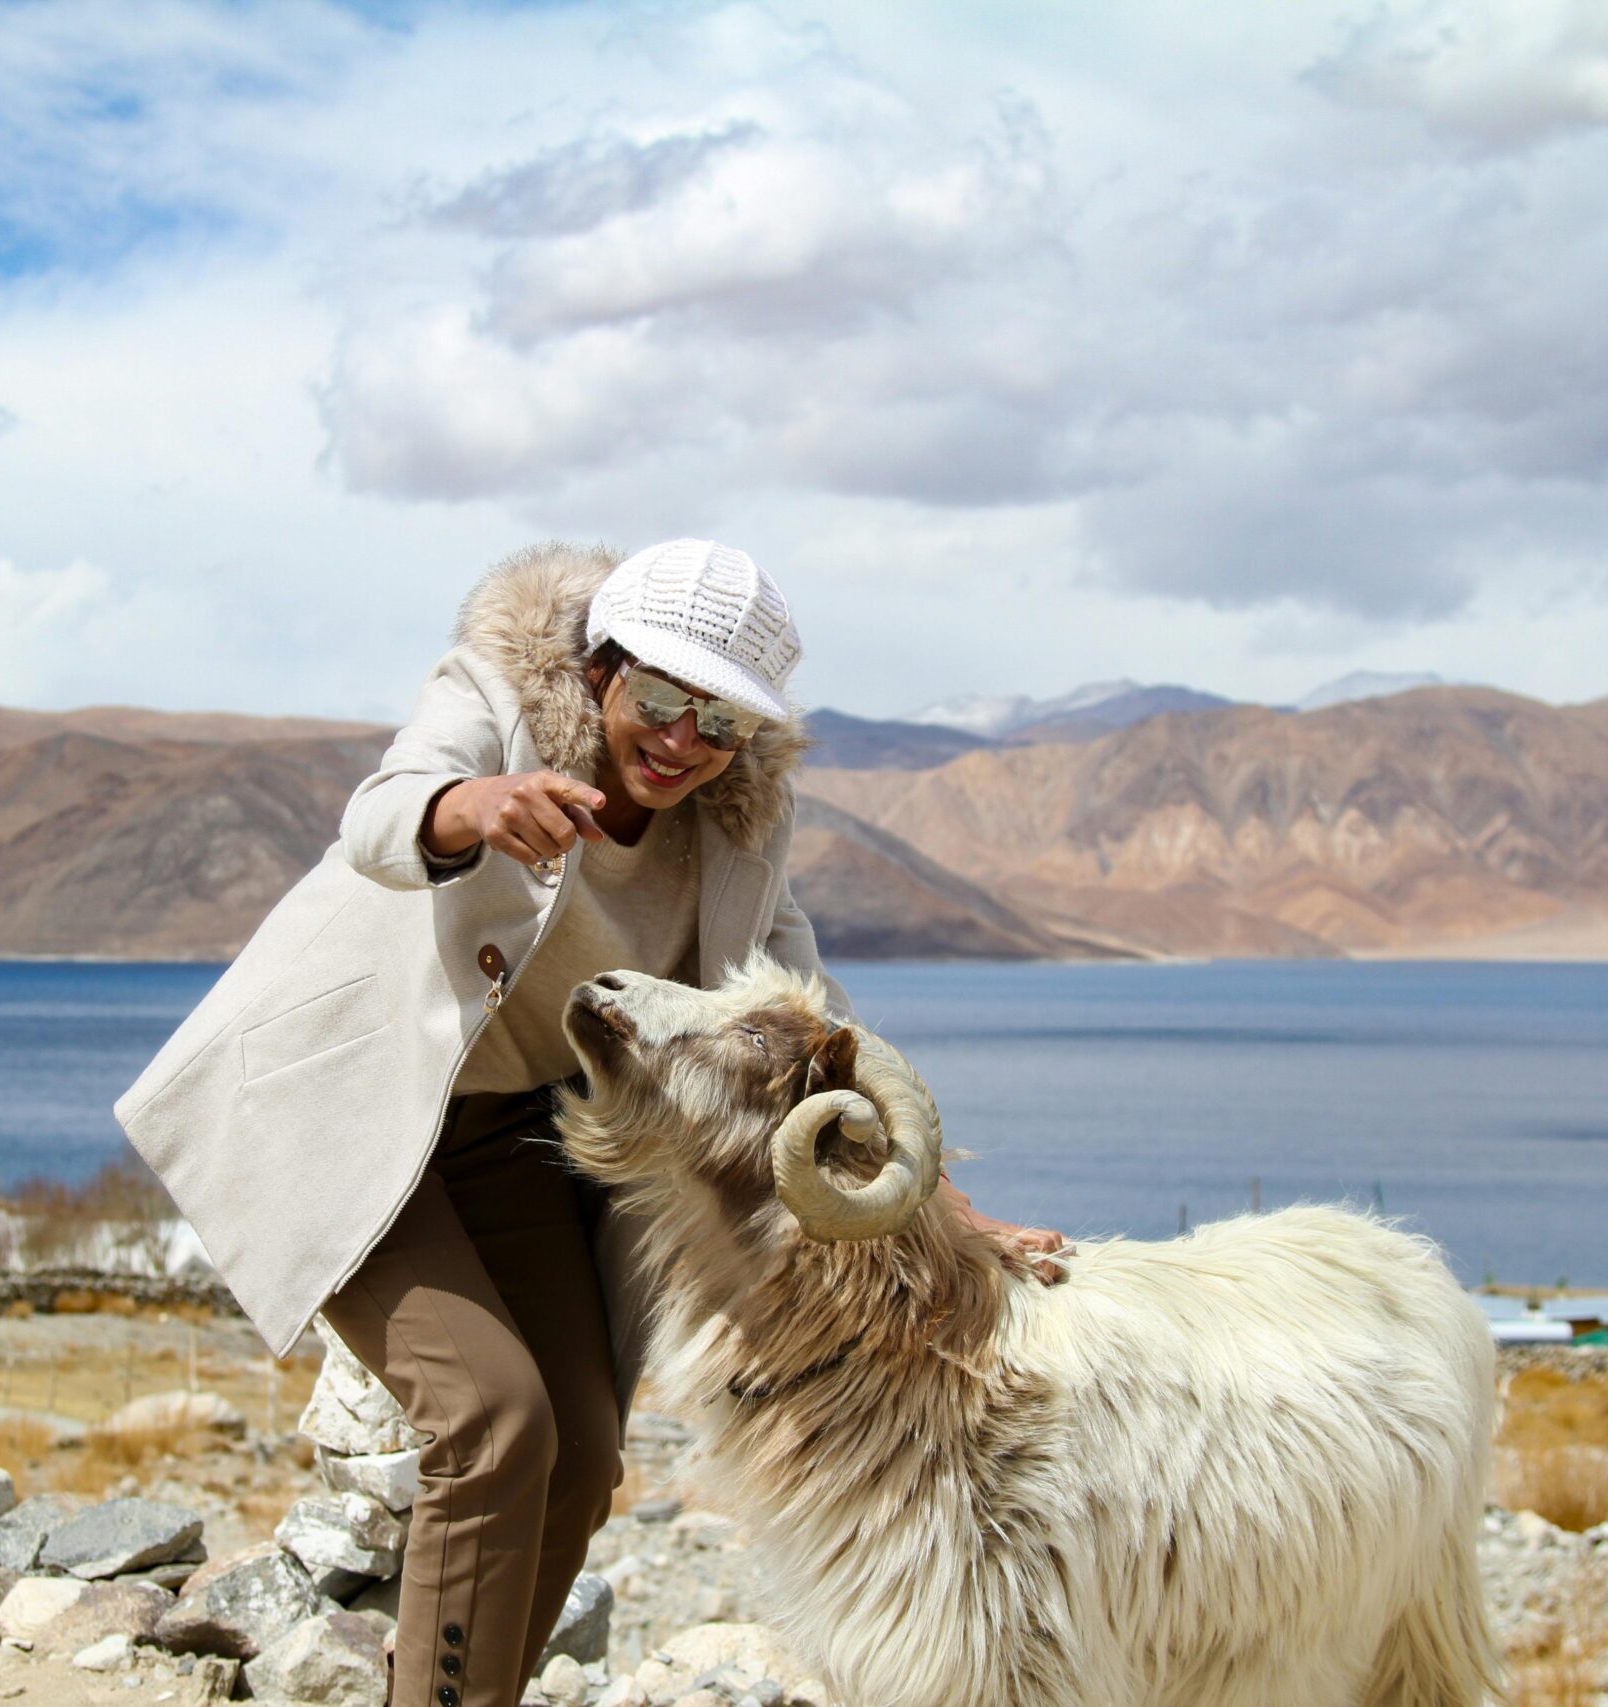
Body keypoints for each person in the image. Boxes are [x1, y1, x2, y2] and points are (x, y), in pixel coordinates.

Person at [117, 539, 1059, 1707]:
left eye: (716, 724)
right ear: (602, 666)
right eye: (657, 698)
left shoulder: (735, 831)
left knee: (578, 1453)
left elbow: (812, 1023)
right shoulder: (495, 700)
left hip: (518, 1140)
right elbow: (379, 819)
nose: (678, 743)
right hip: (358, 1119)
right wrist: (474, 806)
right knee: (492, 1422)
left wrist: (935, 1197)